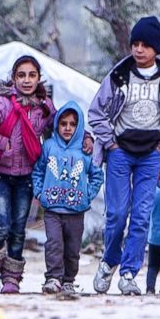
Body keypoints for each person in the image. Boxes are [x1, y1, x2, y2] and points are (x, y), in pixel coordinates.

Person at [88, 15, 160, 295]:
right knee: (118, 214)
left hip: (152, 155)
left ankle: (128, 273)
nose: (139, 49)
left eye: (145, 44)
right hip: (120, 152)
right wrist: (110, 143)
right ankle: (109, 260)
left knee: (142, 215)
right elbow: (96, 112)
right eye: (135, 43)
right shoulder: (119, 75)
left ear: (157, 48)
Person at [0, 55, 56, 293]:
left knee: (18, 227)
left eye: (32, 75)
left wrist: (86, 138)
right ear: (13, 78)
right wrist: (0, 141)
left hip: (26, 174)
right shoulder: (2, 103)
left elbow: (60, 126)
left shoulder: (44, 107)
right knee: (0, 225)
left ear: (39, 78)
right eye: (21, 75)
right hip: (0, 173)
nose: (27, 80)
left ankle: (12, 277)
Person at [32, 102, 104, 295]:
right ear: (57, 125)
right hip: (52, 209)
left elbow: (97, 175)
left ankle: (69, 280)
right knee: (54, 244)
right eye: (63, 123)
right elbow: (38, 171)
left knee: (72, 248)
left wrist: (87, 195)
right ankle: (53, 278)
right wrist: (40, 192)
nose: (67, 128)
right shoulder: (48, 146)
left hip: (76, 211)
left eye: (72, 124)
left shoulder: (85, 150)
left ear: (79, 126)